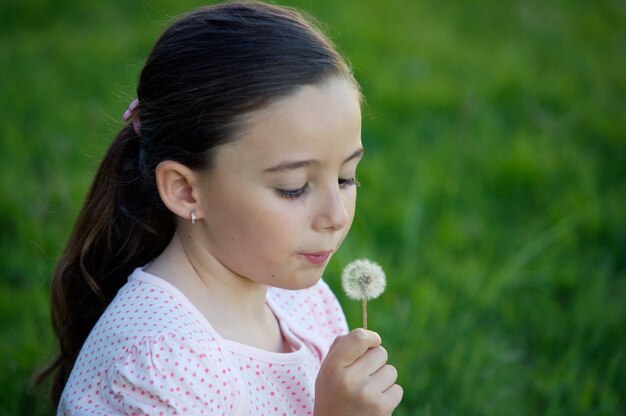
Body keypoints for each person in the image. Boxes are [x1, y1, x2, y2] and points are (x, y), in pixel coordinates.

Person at [38, 2, 403, 415]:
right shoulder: (158, 367)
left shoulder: (304, 302)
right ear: (186, 191)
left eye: (346, 177)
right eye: (293, 187)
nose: (336, 216)